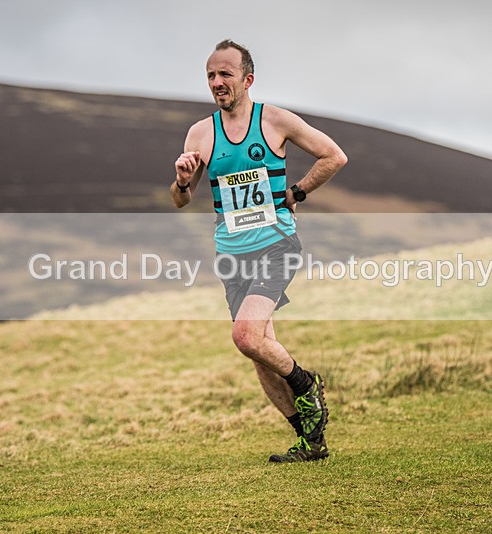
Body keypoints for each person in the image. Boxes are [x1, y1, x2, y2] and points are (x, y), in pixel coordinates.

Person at [170, 39, 347, 462]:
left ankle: (307, 386)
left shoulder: (275, 120)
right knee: (259, 353)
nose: (217, 82)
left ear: (247, 79)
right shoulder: (199, 133)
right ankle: (311, 441)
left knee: (245, 336)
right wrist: (180, 180)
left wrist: (297, 192)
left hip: (275, 244)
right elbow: (181, 200)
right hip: (231, 255)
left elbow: (334, 156)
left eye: (225, 74)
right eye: (211, 75)